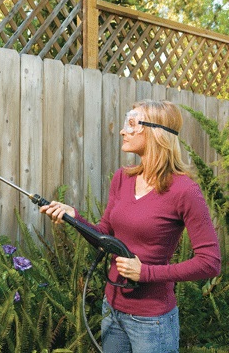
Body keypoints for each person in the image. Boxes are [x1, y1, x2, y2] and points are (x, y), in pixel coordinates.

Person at [40, 100, 221, 353]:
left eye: (132, 123)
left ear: (156, 132)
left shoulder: (184, 190)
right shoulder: (123, 178)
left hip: (152, 322)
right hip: (111, 312)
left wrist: (146, 273)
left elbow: (210, 262)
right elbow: (105, 235)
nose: (124, 130)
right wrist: (74, 218)